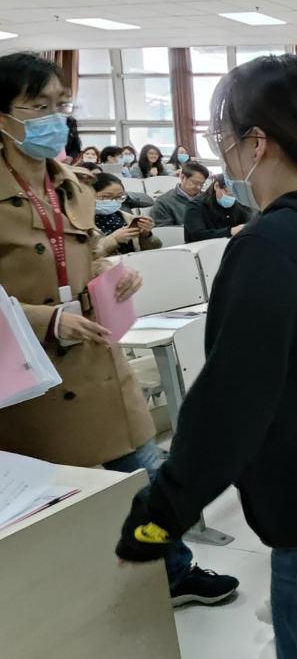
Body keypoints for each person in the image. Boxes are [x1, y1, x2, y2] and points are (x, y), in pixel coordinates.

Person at [113, 54, 297, 659]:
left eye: (220, 137)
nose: (221, 154)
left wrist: (160, 514)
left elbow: (230, 405)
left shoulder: (272, 246)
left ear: (257, 143)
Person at [0, 52, 237, 608]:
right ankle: (82, 607)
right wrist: (48, 319)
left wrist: (109, 273)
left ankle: (175, 572)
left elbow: (76, 258)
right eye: (38, 107)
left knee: (147, 473)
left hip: (97, 358)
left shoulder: (70, 186)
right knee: (67, 502)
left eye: (61, 104)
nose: (55, 118)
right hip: (31, 374)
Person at [93, 172, 161, 254]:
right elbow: (86, 255)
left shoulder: (128, 218)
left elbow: (154, 249)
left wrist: (146, 235)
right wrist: (113, 239)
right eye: (106, 197)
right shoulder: (81, 223)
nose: (113, 201)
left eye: (119, 197)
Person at [183, 174, 253, 243]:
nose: (232, 198)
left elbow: (249, 224)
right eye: (229, 193)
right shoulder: (195, 206)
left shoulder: (238, 206)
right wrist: (230, 231)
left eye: (235, 195)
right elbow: (197, 235)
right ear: (216, 186)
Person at [151, 161, 209, 227]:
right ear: (182, 177)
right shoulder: (163, 202)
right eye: (195, 183)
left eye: (202, 184)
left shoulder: (207, 198)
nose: (198, 187)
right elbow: (164, 230)